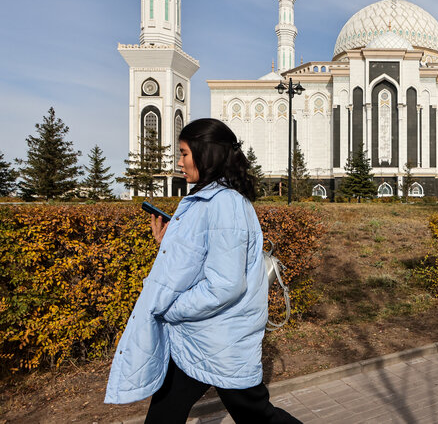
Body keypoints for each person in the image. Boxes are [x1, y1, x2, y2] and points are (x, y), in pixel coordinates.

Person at [105, 118, 301, 424]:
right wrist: (166, 241)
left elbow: (224, 285)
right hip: (198, 336)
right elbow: (200, 261)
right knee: (165, 412)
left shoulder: (224, 204)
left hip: (219, 339)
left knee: (258, 416)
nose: (179, 162)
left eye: (184, 153)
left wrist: (172, 309)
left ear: (206, 154)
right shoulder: (205, 199)